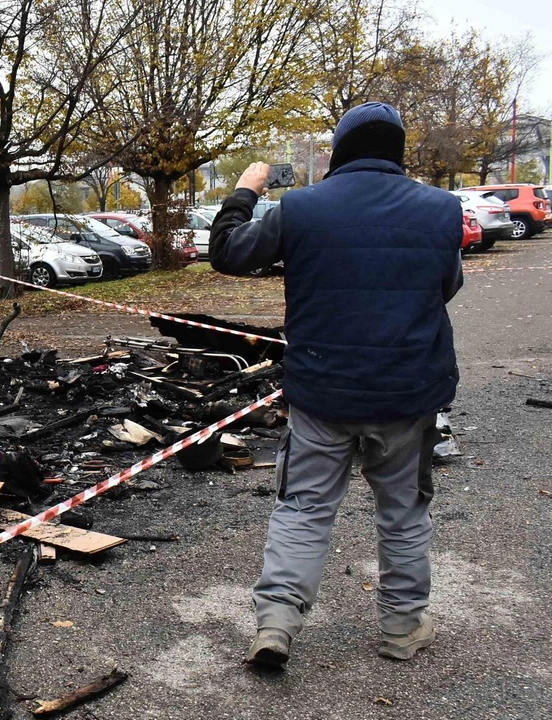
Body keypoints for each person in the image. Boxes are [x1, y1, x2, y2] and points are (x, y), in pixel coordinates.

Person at [207, 102, 463, 668]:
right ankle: (401, 630)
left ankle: (275, 624)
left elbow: (227, 253)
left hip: (322, 392)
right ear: (396, 150)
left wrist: (246, 190)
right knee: (403, 514)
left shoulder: (300, 207)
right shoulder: (442, 209)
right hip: (407, 393)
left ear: (340, 150)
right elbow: (445, 287)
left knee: (303, 509)